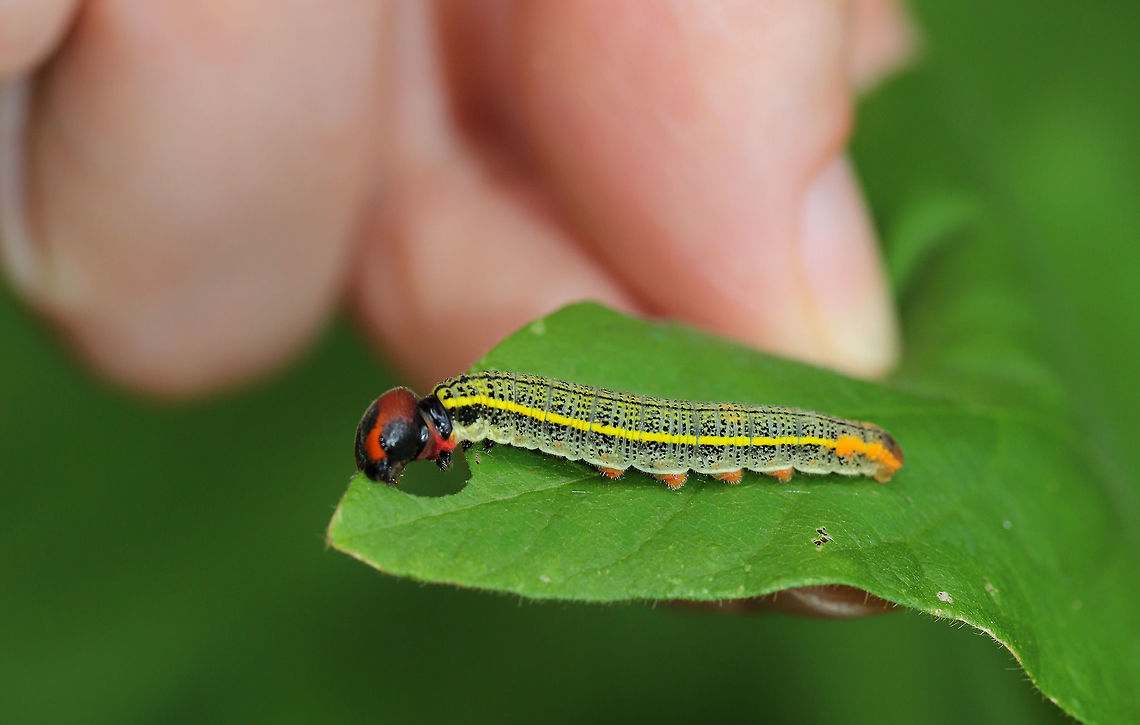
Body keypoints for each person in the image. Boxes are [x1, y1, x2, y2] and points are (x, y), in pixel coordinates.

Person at [0, 0, 914, 615]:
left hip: (765, 425)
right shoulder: (488, 409)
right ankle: (839, 441)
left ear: (436, 438)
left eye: (411, 453)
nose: (421, 458)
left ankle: (842, 443)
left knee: (675, 430)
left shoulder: (486, 409)